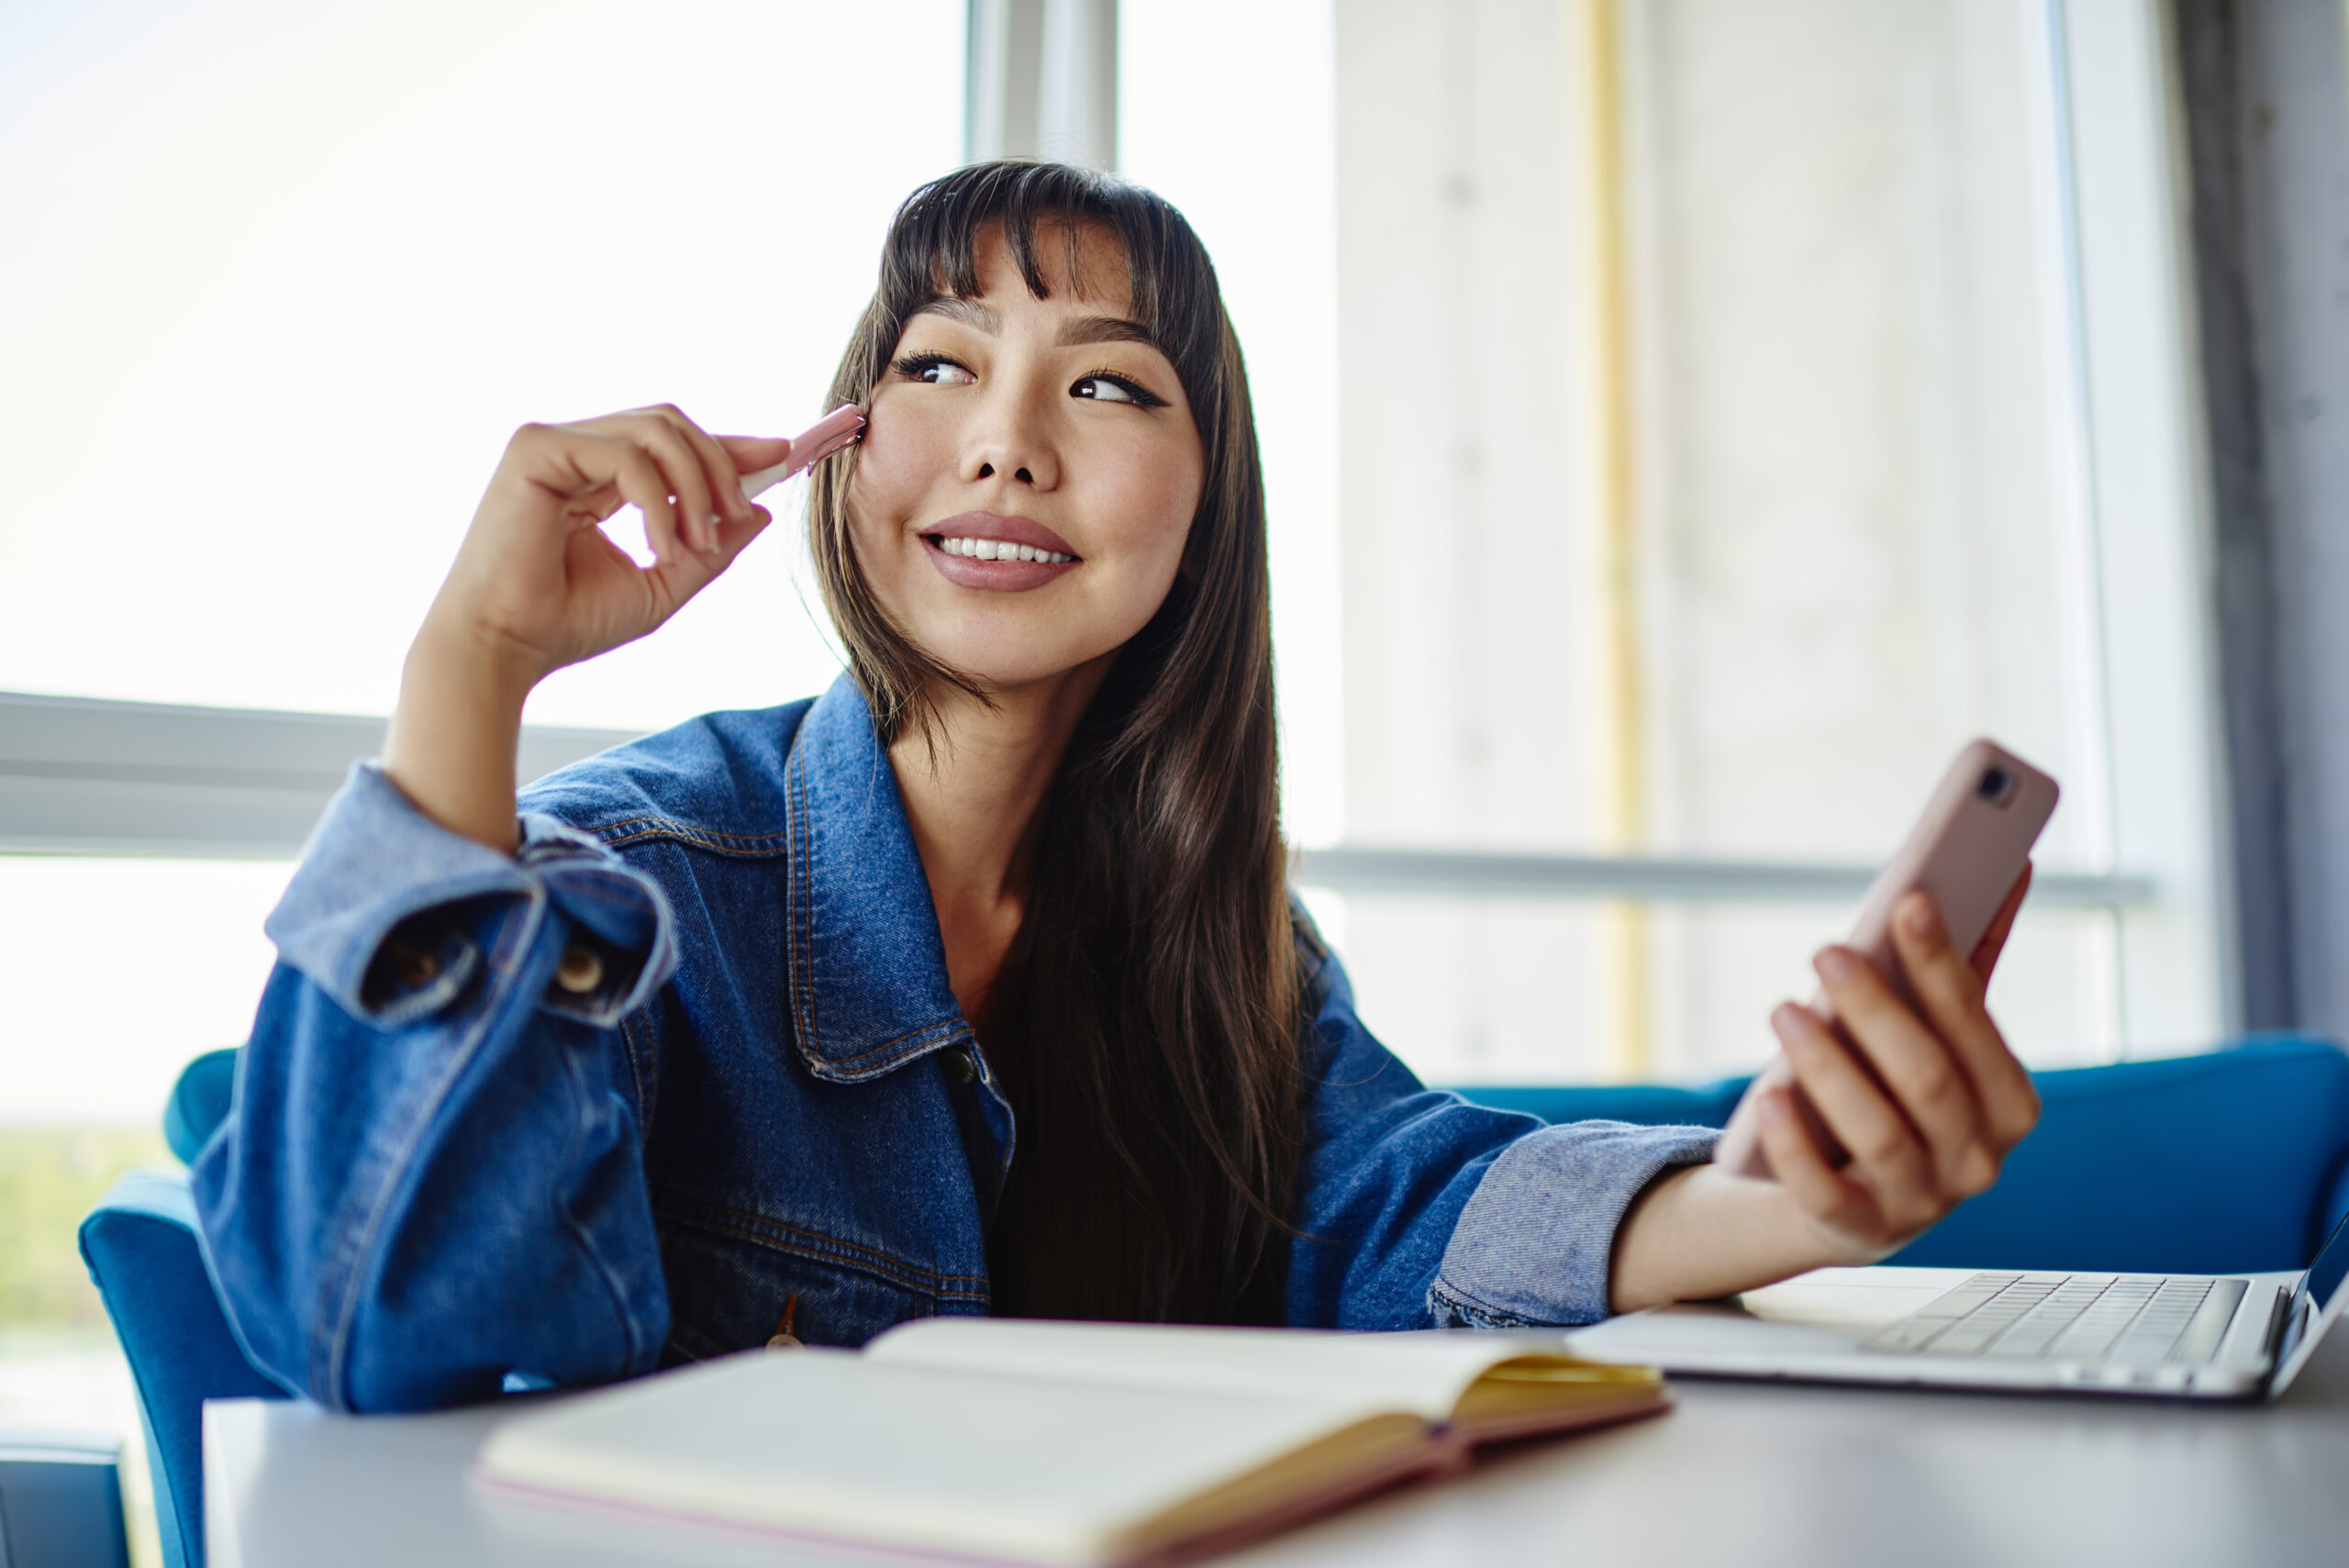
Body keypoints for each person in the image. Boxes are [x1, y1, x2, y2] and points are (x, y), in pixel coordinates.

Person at [192, 161, 2039, 1413]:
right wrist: (473, 670)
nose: (1003, 439)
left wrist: (1804, 1202)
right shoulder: (640, 884)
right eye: (937, 366)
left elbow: (1409, 1210)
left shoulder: (1223, 943)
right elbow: (374, 1323)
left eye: (1105, 389)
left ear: (1200, 501)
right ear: (840, 461)